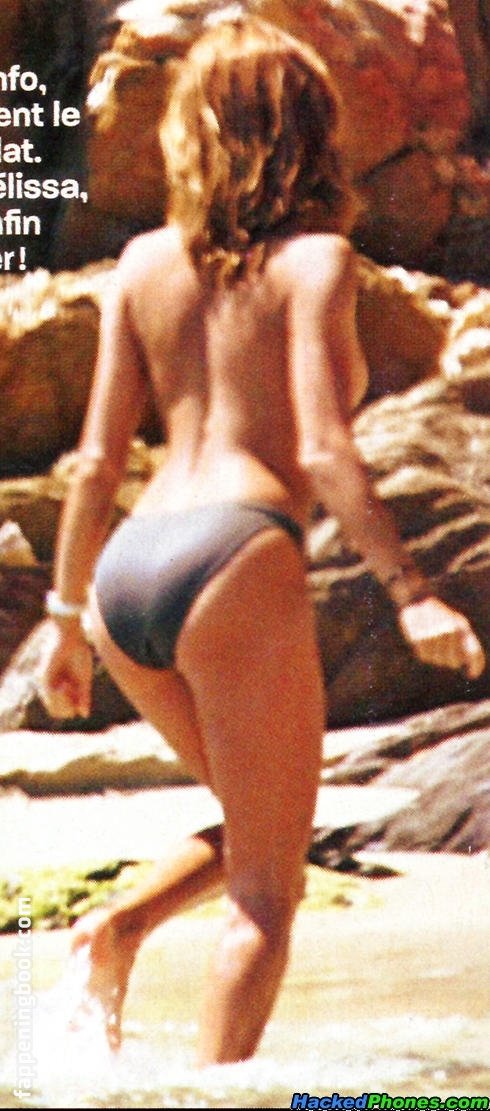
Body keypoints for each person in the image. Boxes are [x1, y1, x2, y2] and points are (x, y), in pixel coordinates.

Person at [37, 16, 485, 1066]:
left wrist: (64, 620)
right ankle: (215, 1092)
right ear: (311, 133)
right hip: (235, 556)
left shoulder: (142, 264)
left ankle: (115, 929)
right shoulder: (317, 261)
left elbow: (96, 463)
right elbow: (325, 446)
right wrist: (411, 588)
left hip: (127, 576)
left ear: (192, 134)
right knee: (267, 893)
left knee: (264, 824)